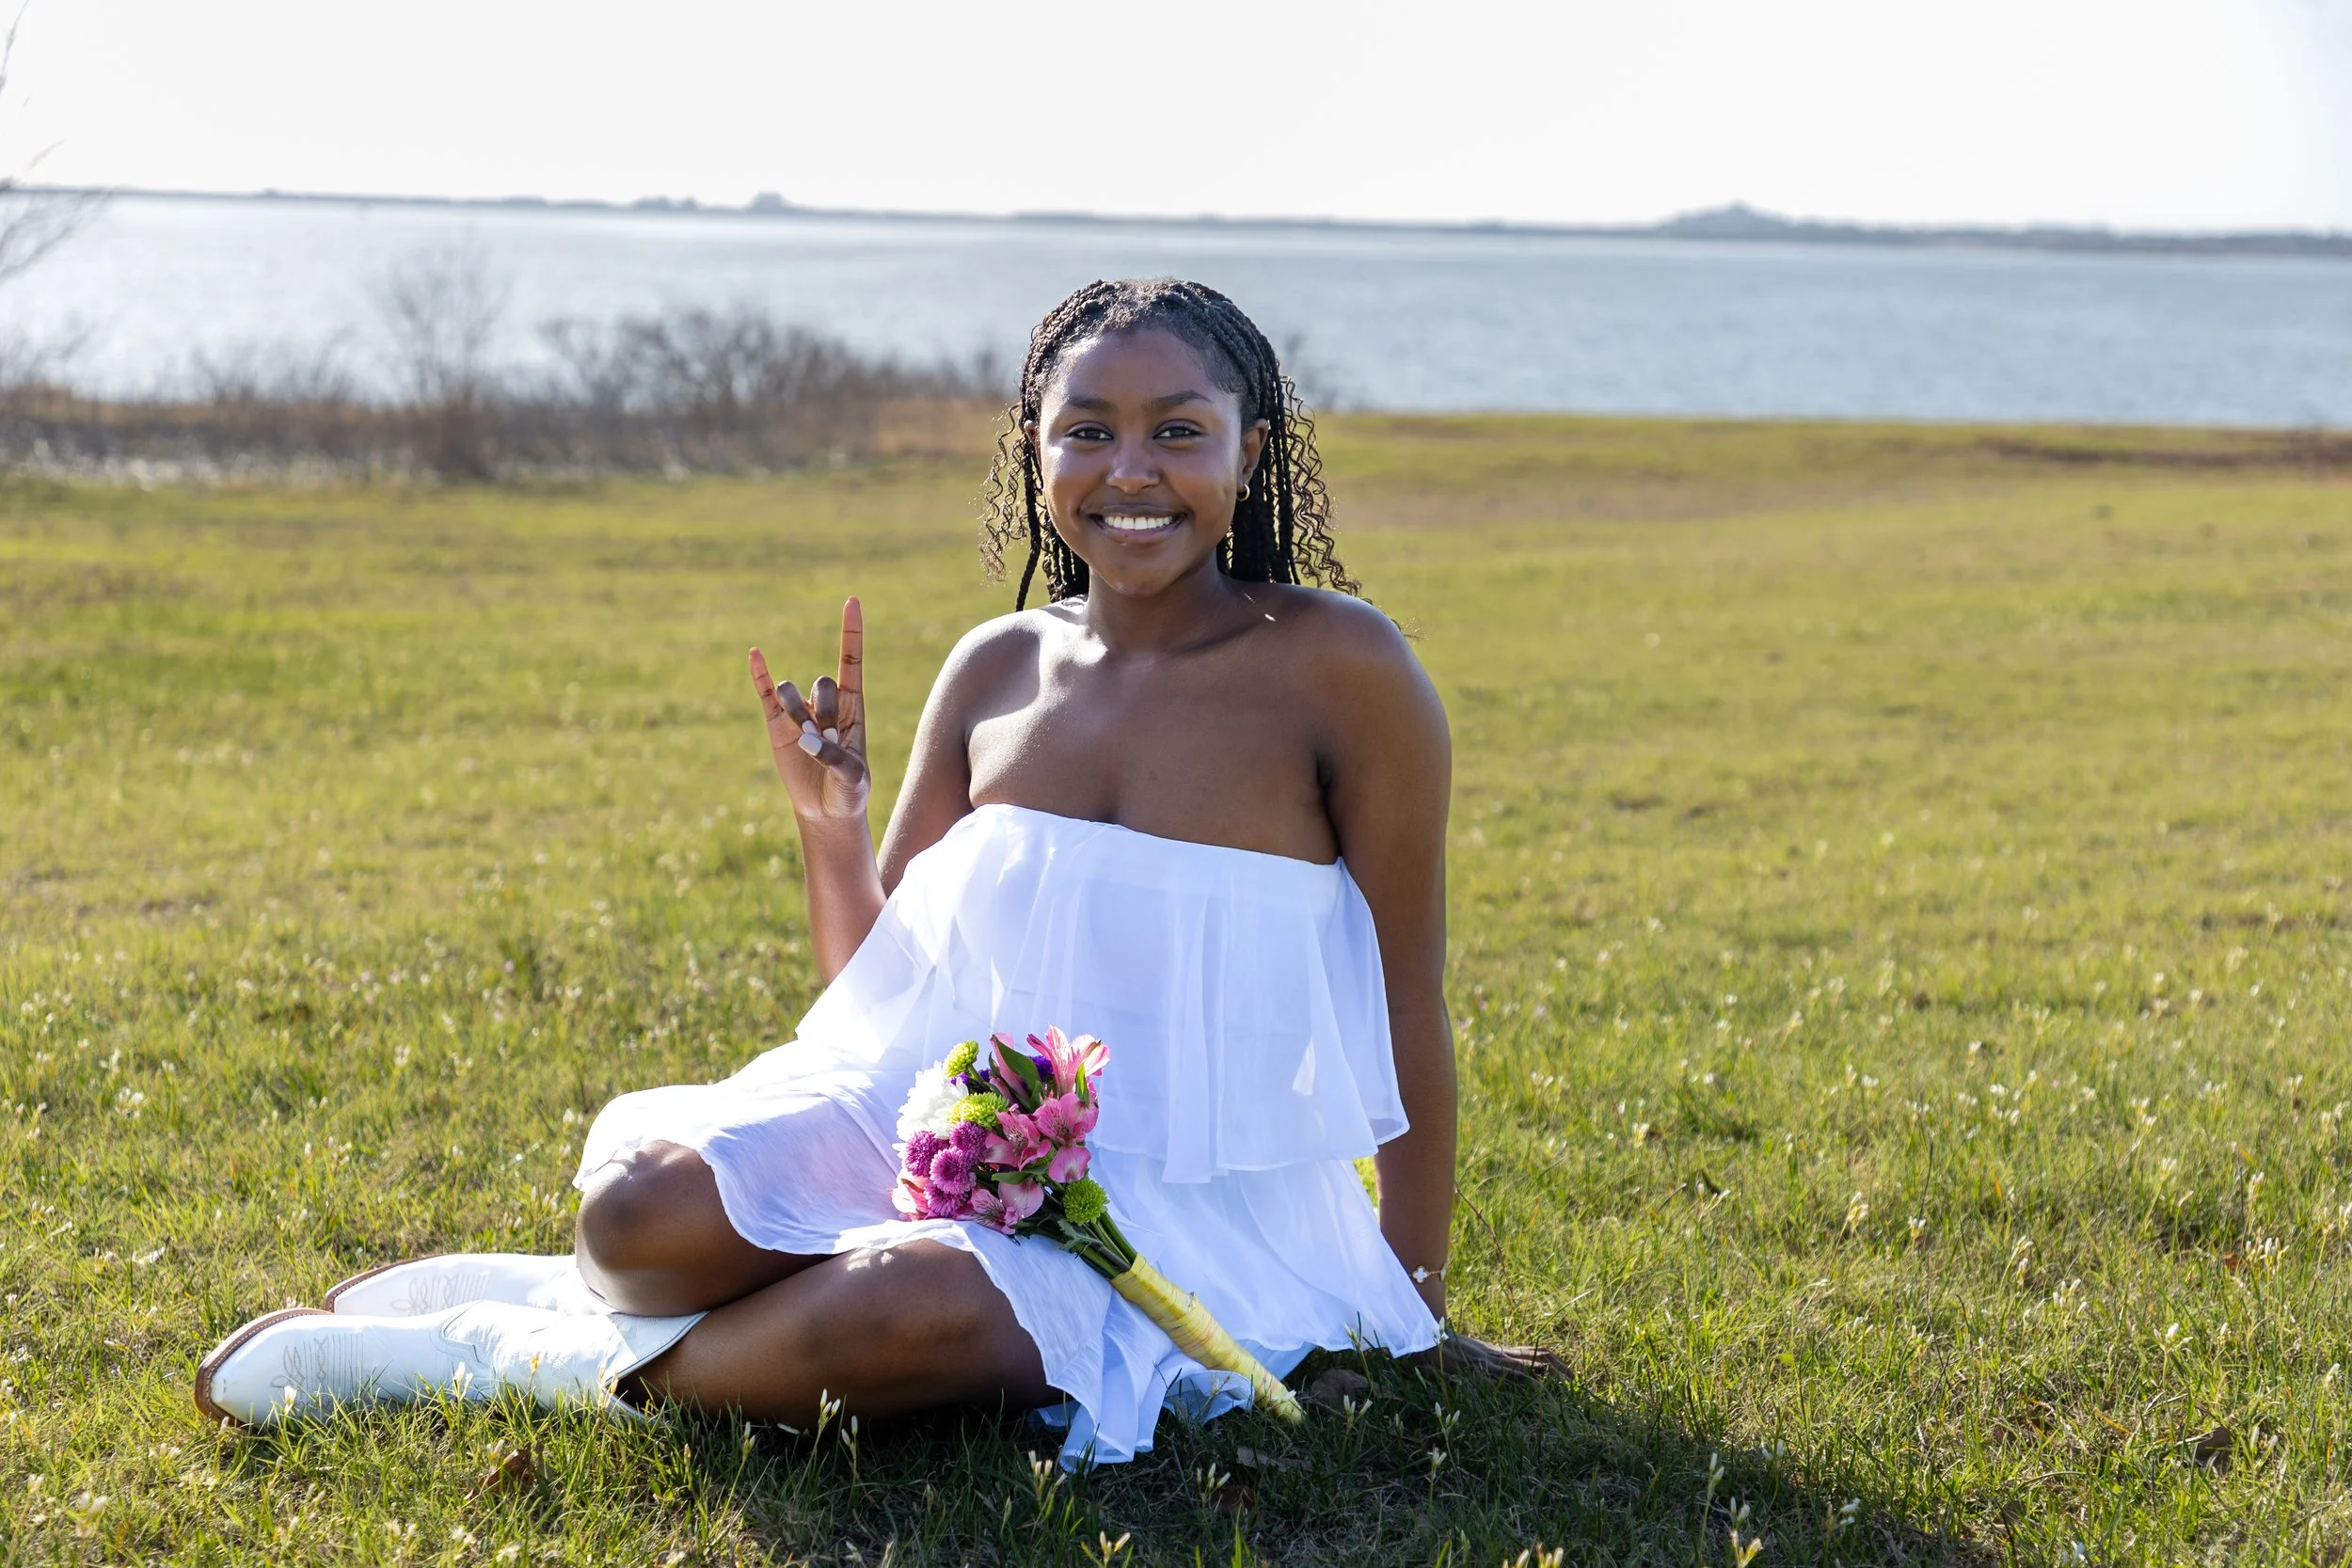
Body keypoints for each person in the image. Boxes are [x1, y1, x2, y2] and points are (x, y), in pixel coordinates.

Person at [194, 278, 1551, 1465]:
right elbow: (877, 983)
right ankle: (579, 1287)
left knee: (914, 1311)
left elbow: (1404, 1004)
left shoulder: (1345, 669)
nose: (1130, 470)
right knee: (636, 1214)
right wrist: (828, 826)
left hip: (1176, 1198)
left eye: (1178, 430)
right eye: (1088, 430)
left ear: (1249, 453)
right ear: (1036, 451)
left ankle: (512, 1354)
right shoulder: (997, 664)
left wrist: (1410, 1304)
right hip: (931, 1117)